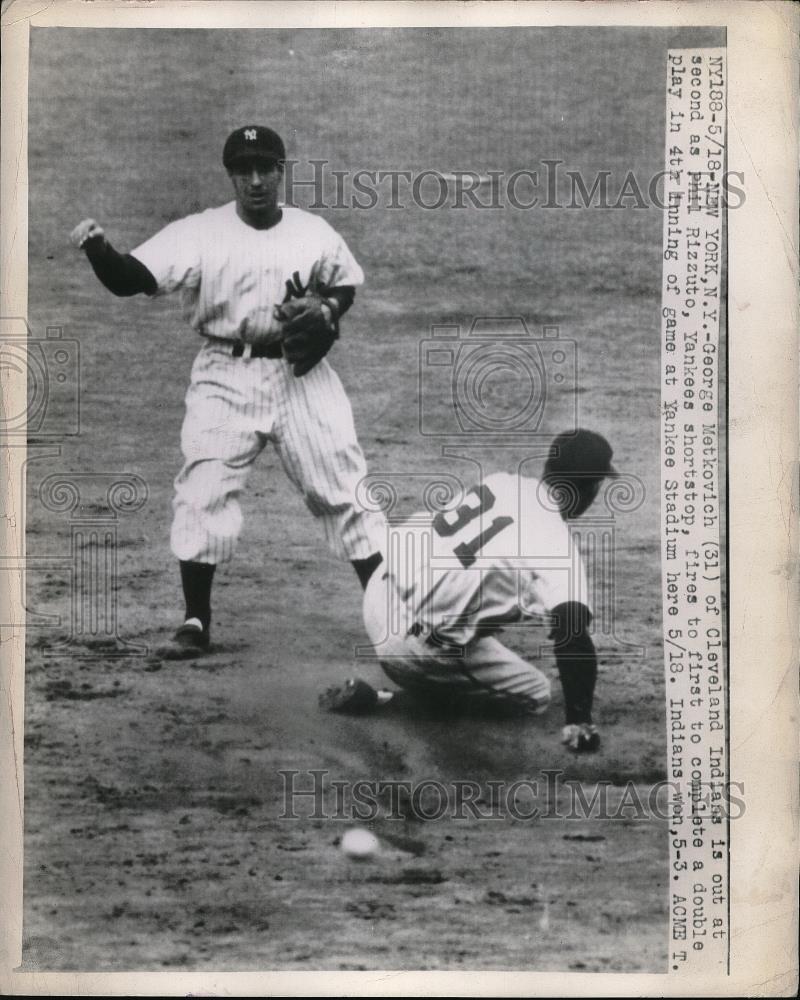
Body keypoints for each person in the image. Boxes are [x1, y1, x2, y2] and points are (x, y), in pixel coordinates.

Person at [70, 125, 386, 658]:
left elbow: (344, 282)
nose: (256, 180)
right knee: (204, 488)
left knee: (346, 489)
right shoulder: (199, 232)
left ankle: (394, 613)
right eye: (244, 170)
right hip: (224, 374)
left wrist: (330, 309)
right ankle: (195, 621)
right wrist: (100, 249)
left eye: (266, 169)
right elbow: (130, 279)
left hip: (298, 375)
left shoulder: (314, 232)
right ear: (231, 176)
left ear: (282, 172)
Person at [321, 429, 619, 754]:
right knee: (535, 693)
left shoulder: (502, 482)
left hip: (378, 592)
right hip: (408, 647)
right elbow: (573, 636)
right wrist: (580, 721)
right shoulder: (558, 549)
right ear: (589, 489)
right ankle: (387, 702)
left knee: (472, 606)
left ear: (548, 467)